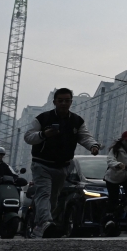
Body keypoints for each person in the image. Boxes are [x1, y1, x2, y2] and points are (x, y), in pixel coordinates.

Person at [23, 87, 101, 238]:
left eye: (67, 100)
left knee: (53, 197)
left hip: (62, 166)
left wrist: (93, 146)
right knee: (44, 193)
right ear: (54, 102)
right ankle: (45, 223)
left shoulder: (76, 121)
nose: (64, 103)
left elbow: (84, 136)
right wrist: (44, 134)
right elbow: (28, 137)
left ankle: (40, 226)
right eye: (60, 100)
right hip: (42, 164)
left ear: (71, 102)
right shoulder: (43, 118)